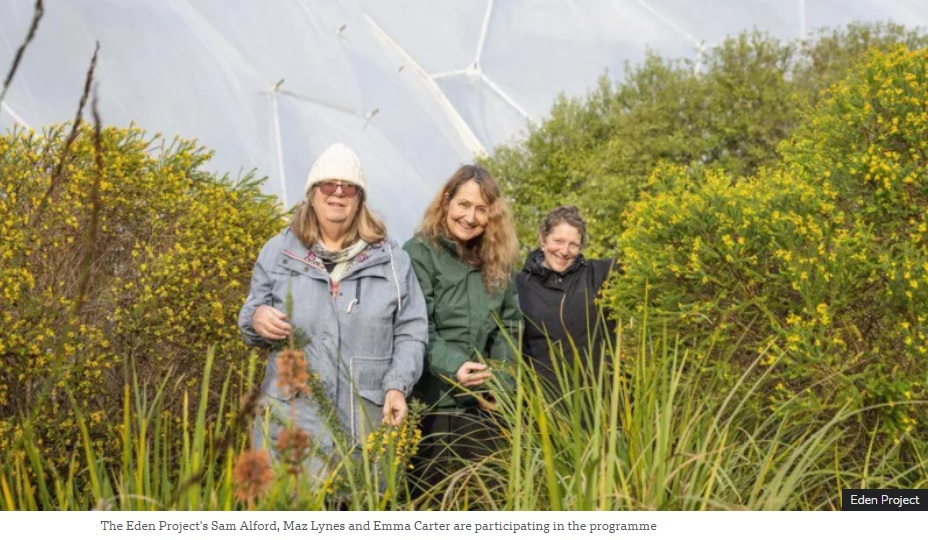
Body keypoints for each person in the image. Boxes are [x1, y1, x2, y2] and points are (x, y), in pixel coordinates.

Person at [238, 143, 427, 477]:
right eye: (328, 184)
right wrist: (256, 318)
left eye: (348, 186)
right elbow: (250, 315)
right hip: (291, 425)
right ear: (312, 193)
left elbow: (412, 330)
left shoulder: (392, 261)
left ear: (359, 198)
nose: (338, 192)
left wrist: (397, 385)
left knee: (360, 502)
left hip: (365, 426)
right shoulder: (279, 251)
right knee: (287, 504)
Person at [402, 164, 520, 481]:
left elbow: (509, 328)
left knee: (484, 497)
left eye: (481, 209)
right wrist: (454, 366)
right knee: (428, 498)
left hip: (483, 408)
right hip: (430, 406)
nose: (470, 217)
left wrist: (500, 381)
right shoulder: (418, 253)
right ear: (446, 201)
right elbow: (416, 327)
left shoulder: (500, 260)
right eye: (464, 205)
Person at [515, 205, 617, 388]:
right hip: (542, 397)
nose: (564, 251)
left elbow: (644, 269)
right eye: (558, 241)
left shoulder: (600, 273)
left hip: (595, 395)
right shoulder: (519, 285)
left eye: (573, 245)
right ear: (543, 239)